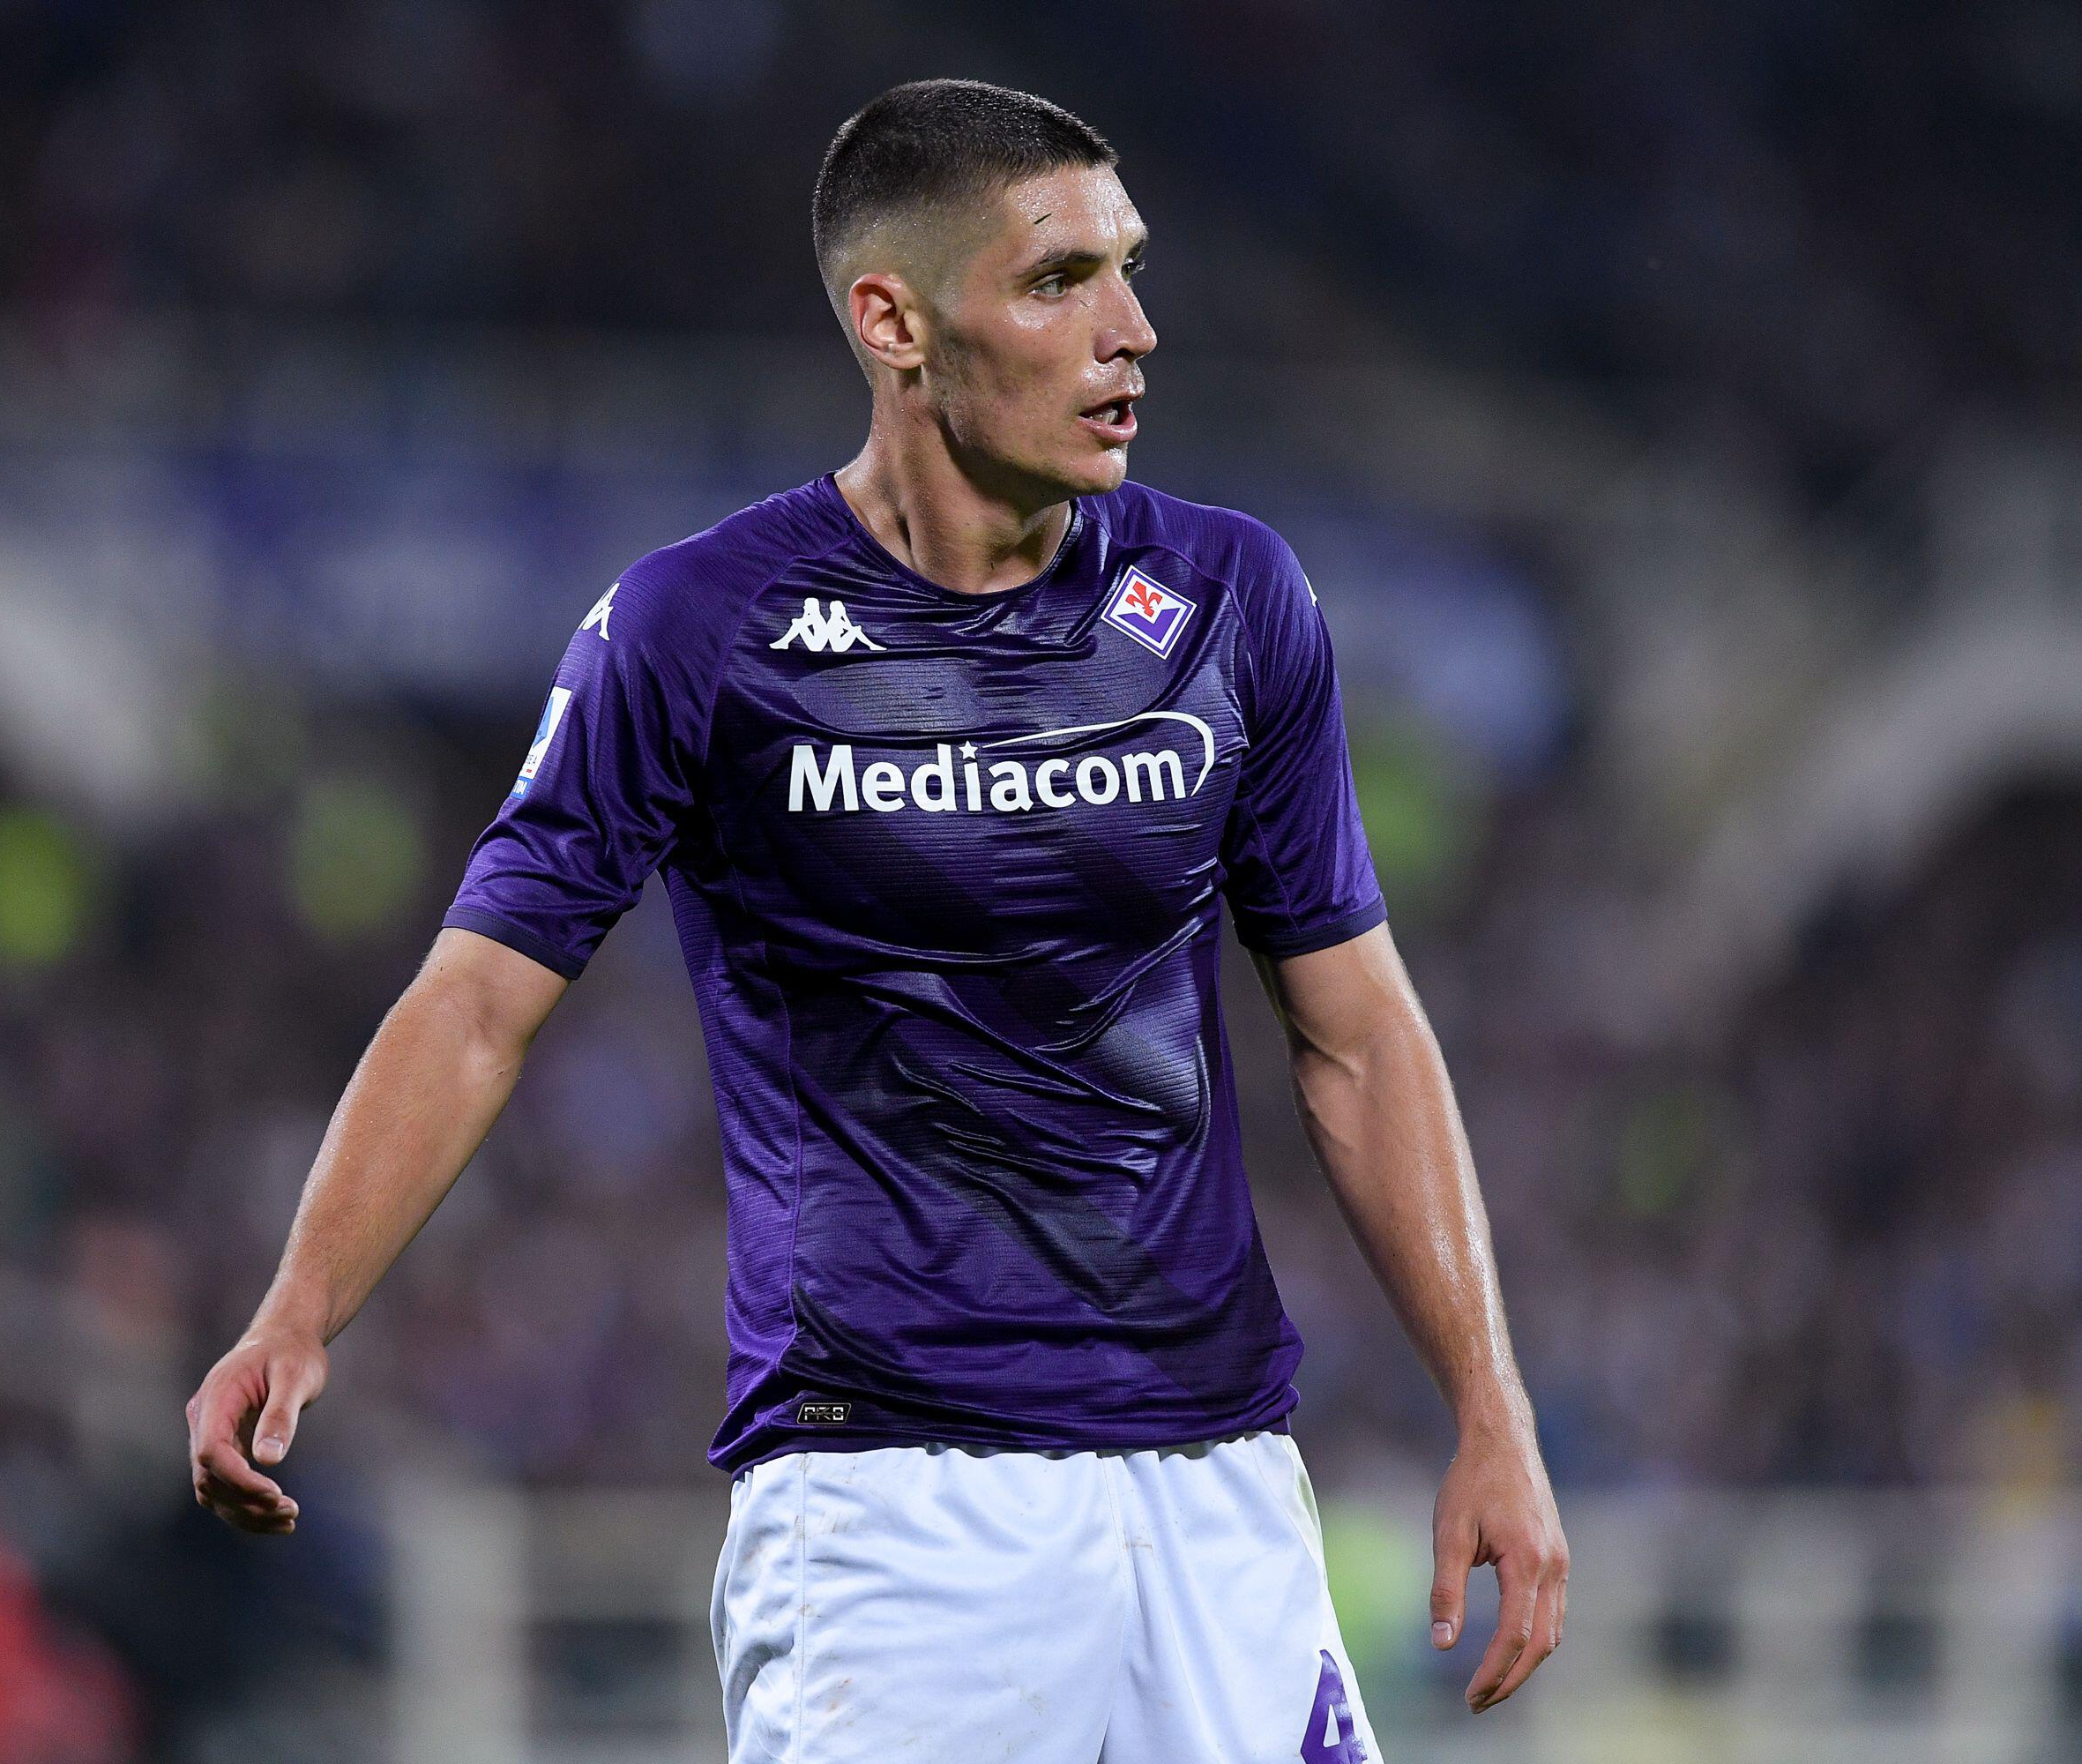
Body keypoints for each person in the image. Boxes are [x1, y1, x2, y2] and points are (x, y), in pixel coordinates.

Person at [184, 78, 1565, 1759]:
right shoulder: (698, 629)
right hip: (894, 1509)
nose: (1133, 329)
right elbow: (480, 1002)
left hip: (1219, 1491)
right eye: (1060, 282)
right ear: (894, 320)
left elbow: (1355, 1035)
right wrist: (298, 1311)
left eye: (1130, 267)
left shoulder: (1229, 600)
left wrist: (1489, 1404)